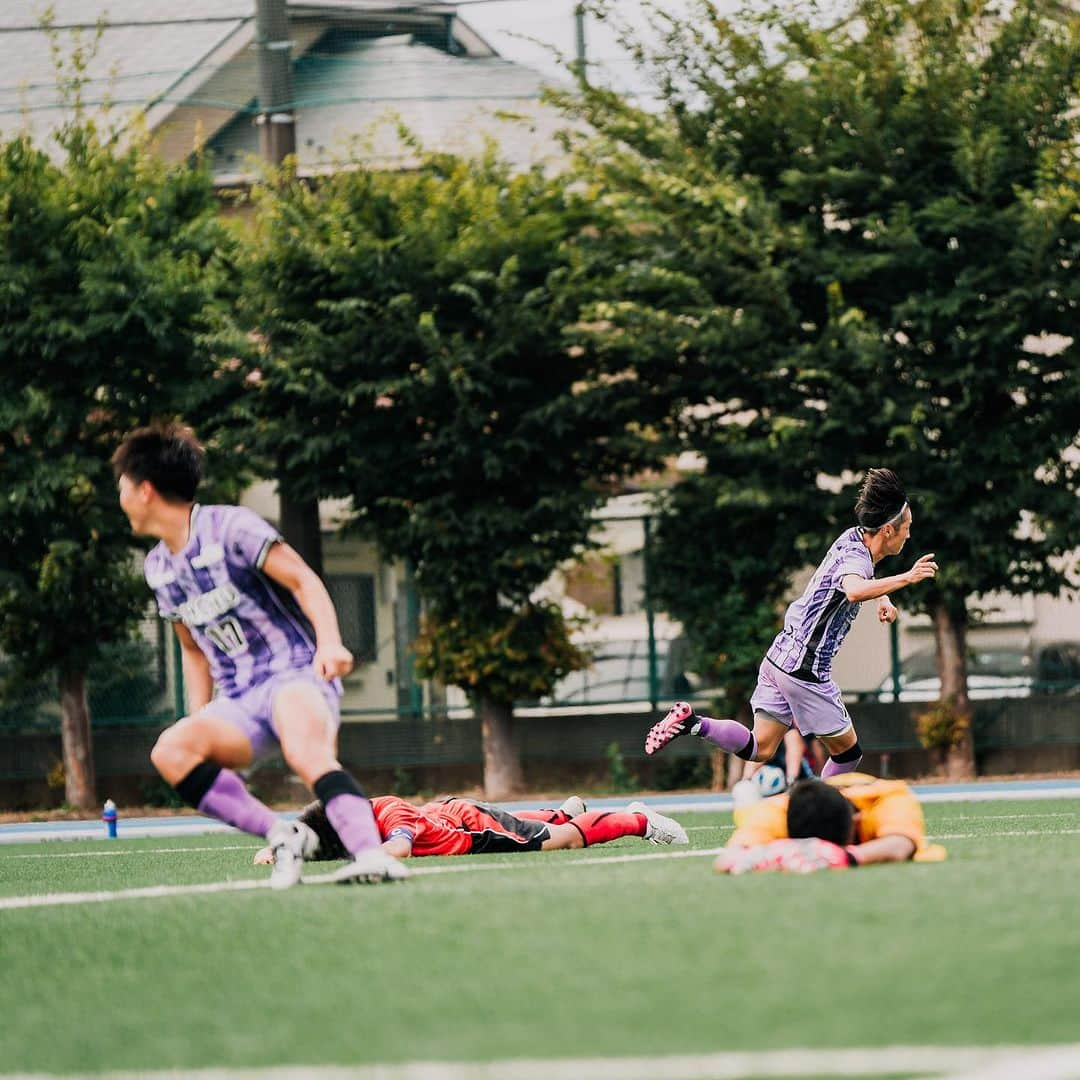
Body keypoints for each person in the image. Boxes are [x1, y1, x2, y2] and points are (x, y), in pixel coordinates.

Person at [112, 422, 407, 889]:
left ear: (144, 490)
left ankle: (374, 856)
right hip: (239, 699)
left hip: (293, 675)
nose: (120, 495)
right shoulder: (158, 568)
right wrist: (202, 716)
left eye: (122, 485)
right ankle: (283, 835)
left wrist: (329, 642)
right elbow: (193, 650)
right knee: (171, 749)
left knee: (308, 755)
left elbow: (304, 581)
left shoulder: (231, 527)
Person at [645, 468, 938, 778]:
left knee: (761, 747)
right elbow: (853, 589)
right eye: (907, 527)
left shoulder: (854, 537)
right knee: (848, 753)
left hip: (780, 657)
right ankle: (817, 813)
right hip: (805, 669)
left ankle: (690, 723)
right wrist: (907, 578)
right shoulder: (858, 559)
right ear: (888, 531)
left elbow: (859, 576)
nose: (909, 534)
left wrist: (882, 598)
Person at [253, 794, 689, 865]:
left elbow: (399, 850)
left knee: (563, 841)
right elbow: (300, 829)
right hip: (448, 813)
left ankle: (639, 819)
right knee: (546, 824)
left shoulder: (389, 815)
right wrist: (279, 848)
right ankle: (563, 809)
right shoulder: (347, 822)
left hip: (470, 826)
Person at [714, 774, 948, 874]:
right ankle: (746, 798)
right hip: (769, 806)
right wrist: (767, 856)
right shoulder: (778, 812)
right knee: (748, 815)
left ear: (856, 822)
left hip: (857, 788)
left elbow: (900, 845)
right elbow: (727, 859)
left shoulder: (890, 799)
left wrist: (846, 857)